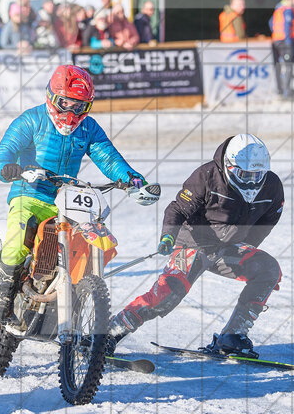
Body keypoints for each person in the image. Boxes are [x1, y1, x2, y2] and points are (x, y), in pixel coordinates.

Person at [0, 65, 147, 322]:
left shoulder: (88, 129)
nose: (71, 113)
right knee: (18, 239)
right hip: (30, 194)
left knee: (87, 243)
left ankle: (82, 311)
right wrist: (9, 168)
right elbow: (5, 149)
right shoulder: (31, 120)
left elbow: (108, 157)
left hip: (67, 200)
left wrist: (132, 181)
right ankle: (0, 298)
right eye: (66, 103)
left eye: (79, 106)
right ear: (51, 97)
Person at [107, 134, 284, 358]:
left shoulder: (272, 186)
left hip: (228, 248)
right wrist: (168, 237)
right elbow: (177, 209)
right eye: (244, 174)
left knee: (269, 269)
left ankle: (234, 335)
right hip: (192, 243)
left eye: (257, 175)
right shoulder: (207, 175)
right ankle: (109, 334)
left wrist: (247, 246)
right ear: (229, 166)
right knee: (167, 295)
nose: (250, 181)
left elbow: (267, 221)